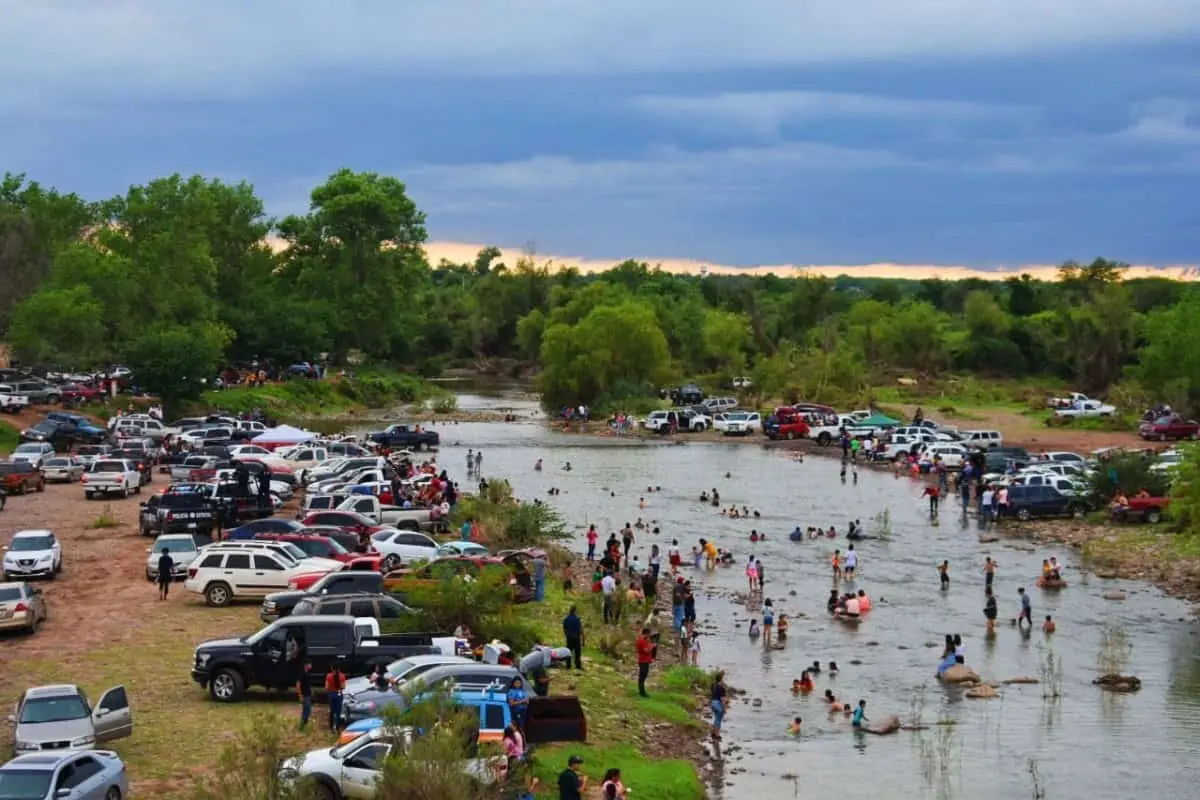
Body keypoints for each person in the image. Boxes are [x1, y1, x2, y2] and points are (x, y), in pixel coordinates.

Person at [324, 664, 346, 733]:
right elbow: (343, 686)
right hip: (339, 694)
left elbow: (326, 687)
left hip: (331, 694)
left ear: (332, 668)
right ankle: (337, 727)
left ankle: (331, 726)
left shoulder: (328, 676)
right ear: (339, 668)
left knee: (332, 711)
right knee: (338, 712)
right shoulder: (342, 676)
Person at [563, 605, 584, 670]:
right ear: (575, 611)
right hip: (576, 638)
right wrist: (583, 639)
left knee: (568, 652)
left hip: (569, 638)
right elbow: (580, 630)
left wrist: (566, 634)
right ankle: (578, 666)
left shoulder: (566, 619)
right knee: (577, 653)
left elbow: (564, 628)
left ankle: (568, 665)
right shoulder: (577, 619)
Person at [636, 627, 655, 698]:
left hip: (645, 660)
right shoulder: (642, 641)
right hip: (643, 660)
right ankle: (642, 692)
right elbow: (646, 650)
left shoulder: (644, 640)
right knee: (642, 676)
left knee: (643, 675)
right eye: (649, 634)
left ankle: (642, 691)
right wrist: (652, 646)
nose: (650, 635)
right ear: (646, 633)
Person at [710, 671, 728, 740]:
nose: (723, 680)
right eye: (722, 678)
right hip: (718, 703)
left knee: (716, 718)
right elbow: (723, 699)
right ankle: (717, 734)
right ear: (721, 679)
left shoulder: (713, 685)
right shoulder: (722, 688)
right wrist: (724, 708)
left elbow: (713, 694)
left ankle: (713, 733)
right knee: (719, 719)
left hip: (712, 703)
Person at [297, 661, 313, 729]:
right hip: (305, 695)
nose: (311, 666)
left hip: (308, 695)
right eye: (310, 664)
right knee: (306, 710)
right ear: (306, 665)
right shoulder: (302, 673)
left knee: (308, 710)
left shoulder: (307, 674)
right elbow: (298, 684)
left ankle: (304, 725)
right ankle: (302, 725)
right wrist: (300, 695)